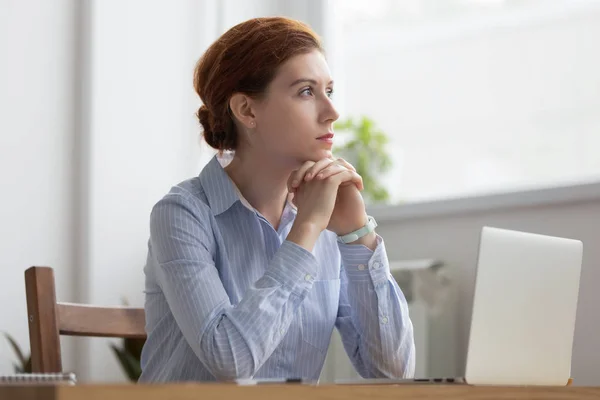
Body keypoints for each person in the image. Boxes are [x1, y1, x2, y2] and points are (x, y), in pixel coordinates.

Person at [139, 16, 415, 383]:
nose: (332, 112)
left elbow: (392, 371)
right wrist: (307, 228)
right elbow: (230, 361)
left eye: (328, 91)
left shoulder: (329, 215)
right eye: (306, 91)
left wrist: (357, 233)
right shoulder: (181, 214)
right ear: (247, 111)